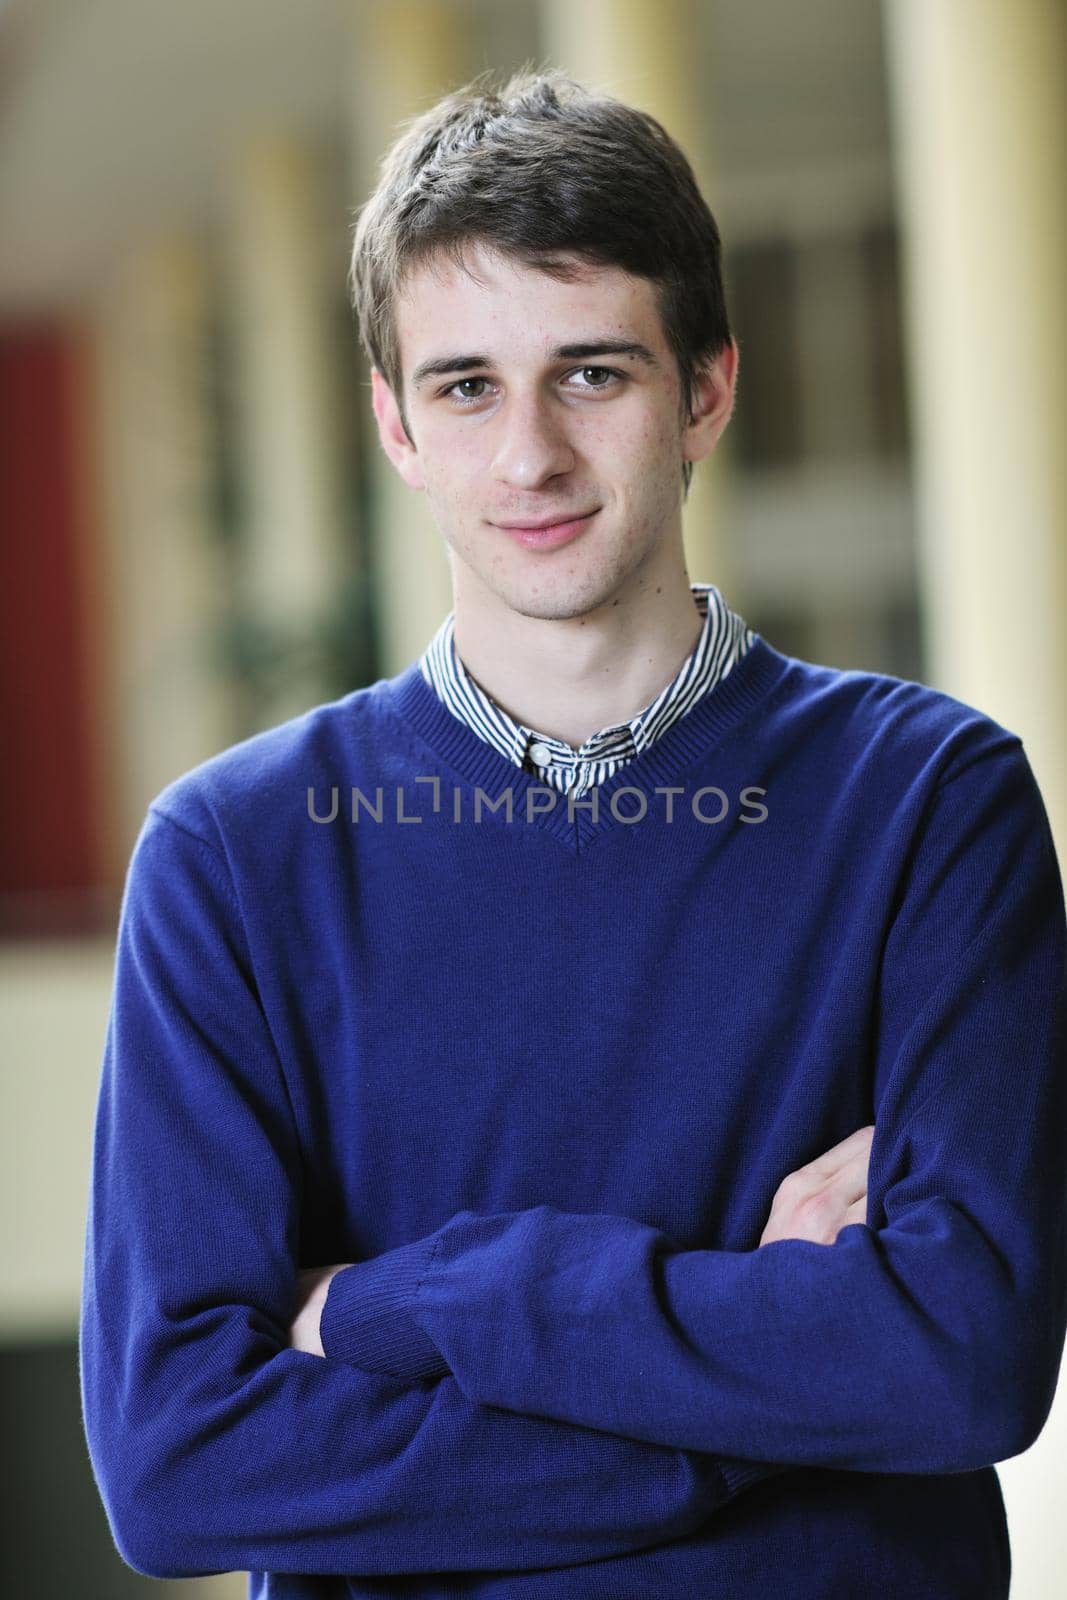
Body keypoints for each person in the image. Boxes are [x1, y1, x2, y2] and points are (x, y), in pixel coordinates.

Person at [80, 68, 1066, 1599]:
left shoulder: (930, 802)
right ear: (396, 426)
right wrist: (771, 1361)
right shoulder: (232, 858)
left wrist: (408, 1303)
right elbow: (178, 1465)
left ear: (707, 391)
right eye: (467, 385)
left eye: (592, 373)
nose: (528, 454)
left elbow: (964, 1366)